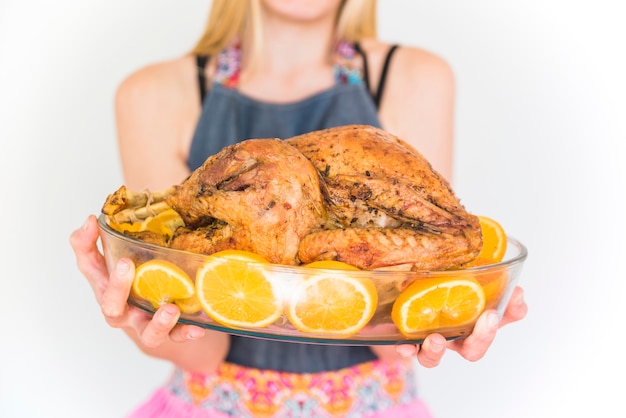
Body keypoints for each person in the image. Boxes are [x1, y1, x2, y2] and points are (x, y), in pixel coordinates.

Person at [70, 1, 528, 416]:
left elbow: (397, 326)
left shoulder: (416, 77)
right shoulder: (152, 94)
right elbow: (203, 349)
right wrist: (141, 316)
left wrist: (451, 314)